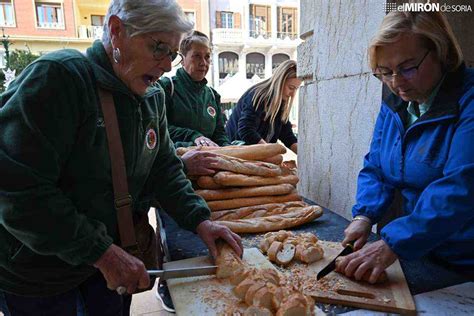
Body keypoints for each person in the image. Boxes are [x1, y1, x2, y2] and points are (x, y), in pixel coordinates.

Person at [0, 0, 242, 315]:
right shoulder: (59, 79)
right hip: (39, 276)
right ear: (117, 32)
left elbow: (164, 169)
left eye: (172, 54)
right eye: (158, 48)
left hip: (105, 268)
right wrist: (103, 253)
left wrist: (201, 220)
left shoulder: (151, 98)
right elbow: (15, 188)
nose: (167, 65)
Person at [336, 10, 474, 284]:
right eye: (385, 72)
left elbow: (462, 186)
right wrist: (365, 214)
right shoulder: (396, 101)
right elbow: (377, 165)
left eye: (408, 67)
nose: (397, 82)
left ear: (440, 52)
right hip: (421, 252)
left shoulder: (467, 100)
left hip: (464, 260)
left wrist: (393, 243)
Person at [159, 31, 230, 148]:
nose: (203, 63)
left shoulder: (212, 95)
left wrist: (229, 148)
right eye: (196, 56)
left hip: (209, 161)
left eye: (207, 57)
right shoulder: (166, 87)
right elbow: (159, 128)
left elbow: (220, 135)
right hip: (176, 162)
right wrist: (194, 136)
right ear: (182, 59)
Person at [226, 60, 301, 154]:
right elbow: (246, 129)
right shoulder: (258, 96)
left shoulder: (280, 102)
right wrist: (268, 151)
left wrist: (305, 155)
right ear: (279, 82)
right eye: (291, 88)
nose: (293, 94)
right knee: (277, 157)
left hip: (253, 150)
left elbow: (287, 135)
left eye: (296, 89)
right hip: (235, 147)